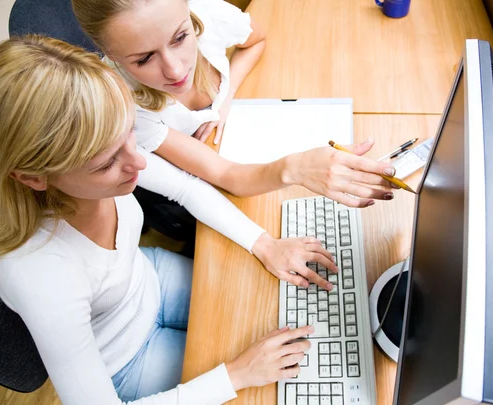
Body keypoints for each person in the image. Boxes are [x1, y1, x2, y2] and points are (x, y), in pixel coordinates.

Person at [0, 35, 331, 404]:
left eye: (130, 134)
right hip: (128, 356)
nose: (138, 163)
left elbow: (187, 188)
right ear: (33, 177)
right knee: (268, 381)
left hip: (148, 277)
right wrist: (236, 374)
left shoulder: (106, 147)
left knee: (270, 306)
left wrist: (266, 244)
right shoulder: (38, 272)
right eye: (106, 163)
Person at [71, 0, 397, 245]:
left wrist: (224, 100)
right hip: (184, 184)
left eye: (181, 37)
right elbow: (222, 175)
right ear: (110, 55)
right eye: (144, 58)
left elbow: (257, 41)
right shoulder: (124, 107)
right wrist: (295, 169)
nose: (174, 70)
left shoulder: (208, 14)